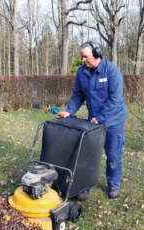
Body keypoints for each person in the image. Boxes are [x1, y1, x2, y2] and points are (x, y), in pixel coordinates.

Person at [59, 41, 128, 200]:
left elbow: (115, 99)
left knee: (113, 156)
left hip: (113, 122)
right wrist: (69, 111)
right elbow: (77, 95)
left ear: (96, 54)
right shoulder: (81, 72)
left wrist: (100, 118)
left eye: (86, 56)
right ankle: (85, 186)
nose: (83, 60)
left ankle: (113, 184)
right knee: (90, 155)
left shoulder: (111, 71)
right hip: (94, 122)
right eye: (82, 57)